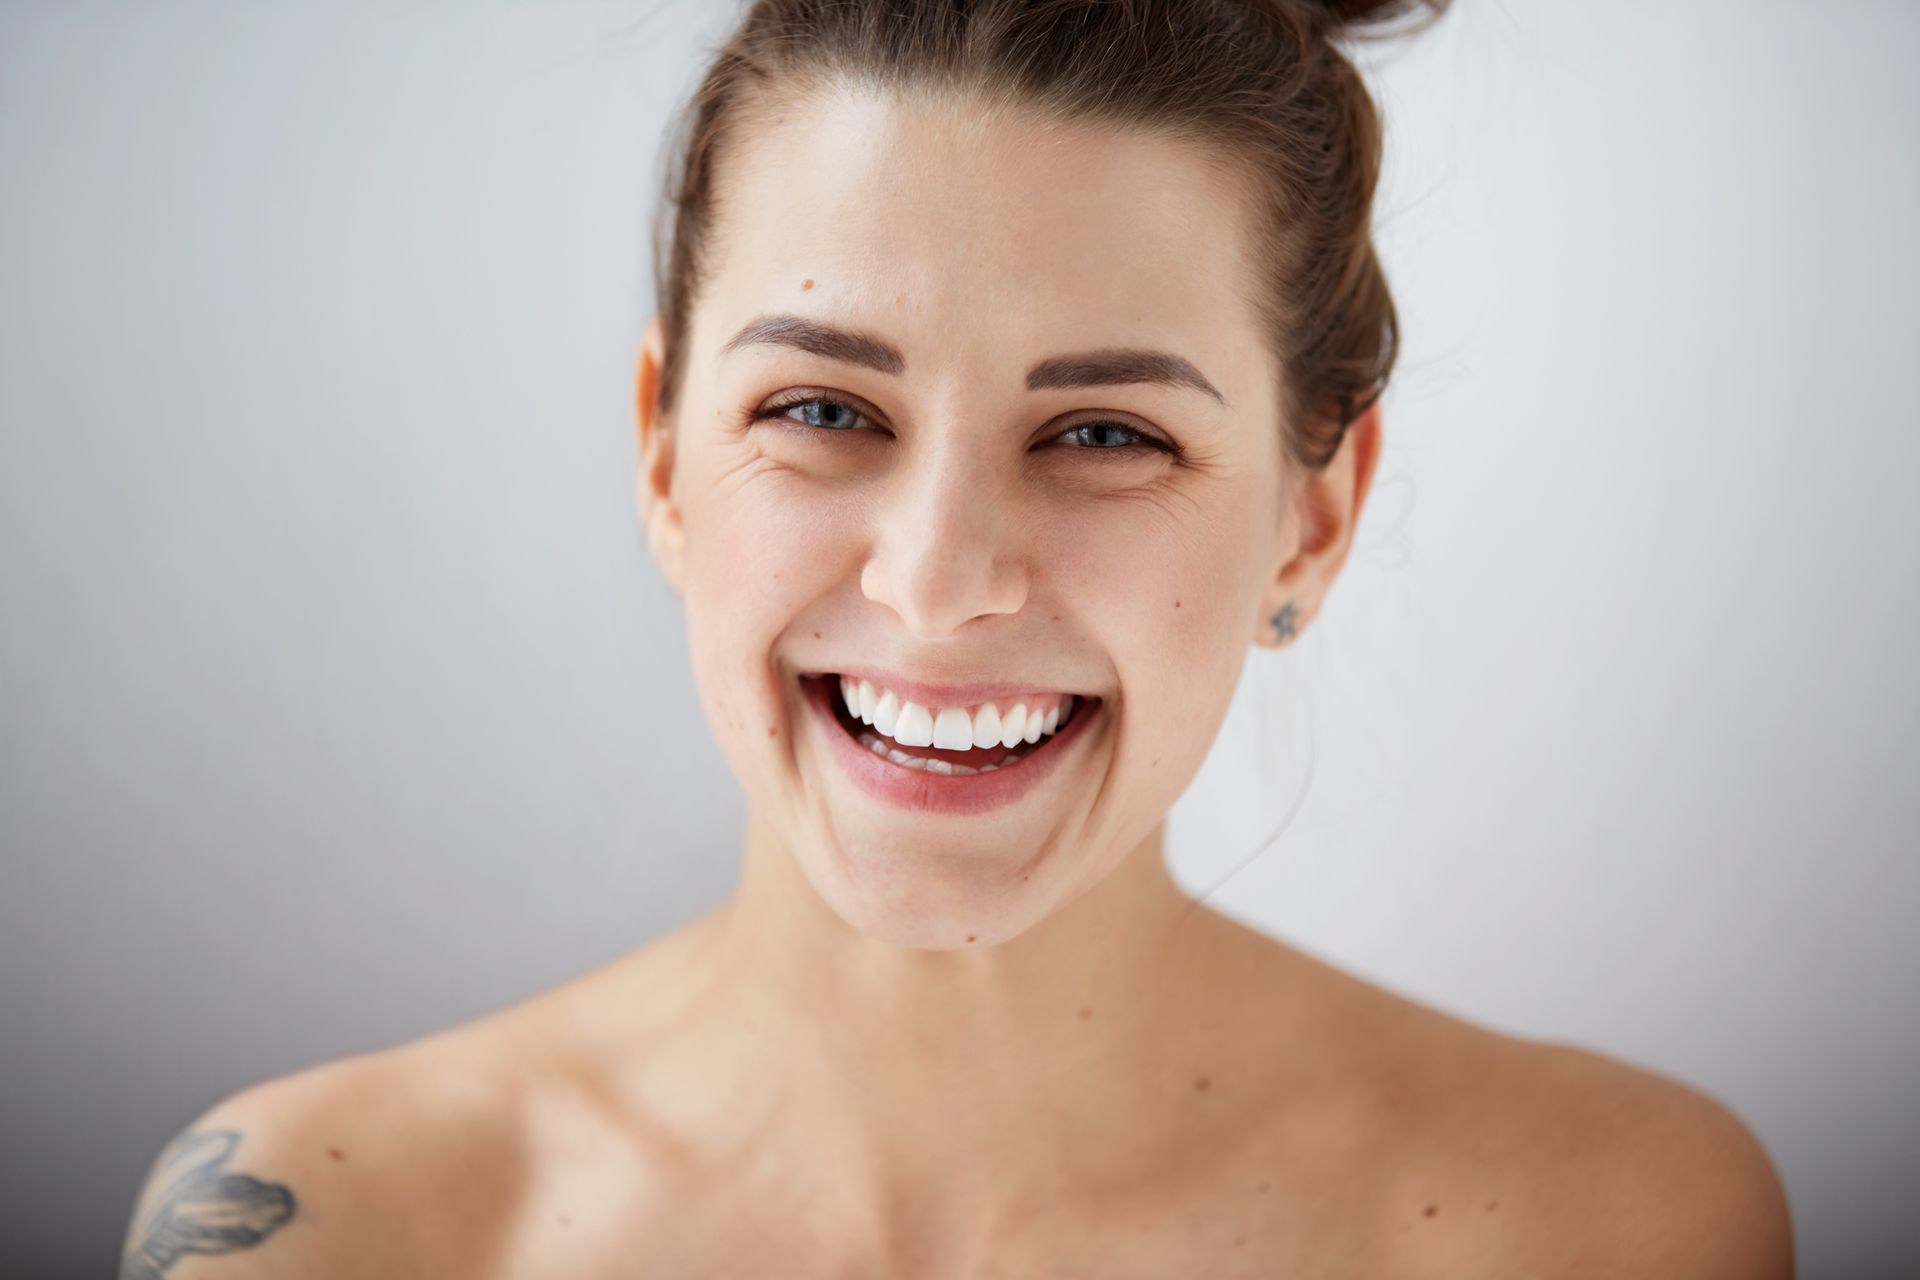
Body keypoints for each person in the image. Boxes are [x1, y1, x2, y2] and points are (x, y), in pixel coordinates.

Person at [117, 1, 1796, 1275]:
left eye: (1105, 435)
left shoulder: (1605, 1223)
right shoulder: (329, 1225)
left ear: (1315, 512)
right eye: (825, 406)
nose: (935, 583)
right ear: (662, 451)